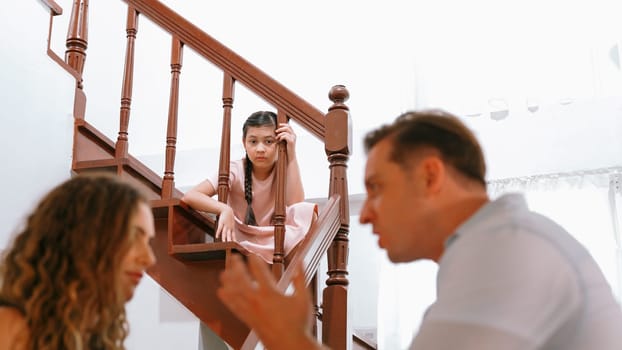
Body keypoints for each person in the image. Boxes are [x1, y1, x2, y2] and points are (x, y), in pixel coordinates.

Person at [216, 109, 622, 349]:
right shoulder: (498, 246)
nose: (367, 215)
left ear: (429, 177)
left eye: (376, 190)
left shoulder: (505, 258)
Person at [0, 173, 156, 350]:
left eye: (148, 241)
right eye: (133, 237)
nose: (149, 259)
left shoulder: (94, 336)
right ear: (84, 239)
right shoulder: (8, 329)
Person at [182, 110, 317, 263]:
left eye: (268, 141)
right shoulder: (235, 168)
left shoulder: (282, 169)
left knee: (308, 212)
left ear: (279, 143)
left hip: (272, 239)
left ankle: (290, 281)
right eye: (253, 142)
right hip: (240, 239)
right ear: (244, 143)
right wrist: (224, 208)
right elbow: (190, 196)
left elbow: (296, 205)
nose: (260, 149)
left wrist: (291, 154)